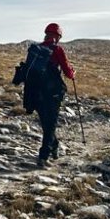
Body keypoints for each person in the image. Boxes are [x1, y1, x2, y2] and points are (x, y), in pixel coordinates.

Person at [33, 22, 75, 168]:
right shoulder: (57, 49)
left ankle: (54, 146)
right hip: (52, 93)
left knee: (46, 122)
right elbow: (67, 72)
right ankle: (43, 156)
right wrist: (73, 73)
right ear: (58, 36)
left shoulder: (35, 49)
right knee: (50, 124)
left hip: (35, 91)